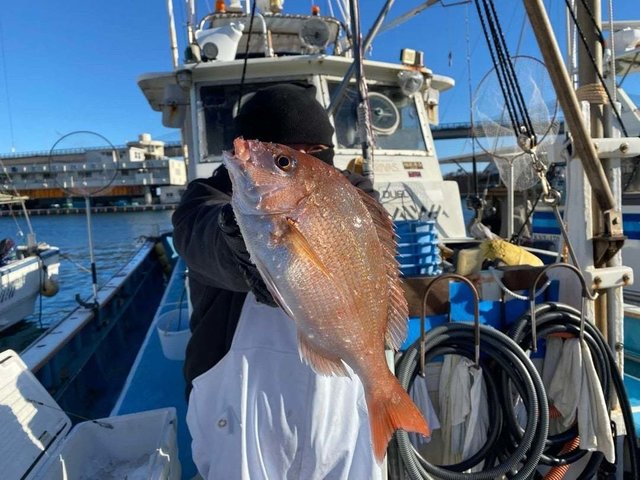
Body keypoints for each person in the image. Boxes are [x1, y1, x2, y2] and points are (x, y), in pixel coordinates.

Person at [172, 83, 383, 479]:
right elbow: (205, 242)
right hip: (240, 413)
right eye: (286, 156)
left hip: (334, 405)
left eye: (315, 154)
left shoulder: (353, 198)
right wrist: (251, 231)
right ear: (247, 149)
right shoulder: (204, 200)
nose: (303, 165)